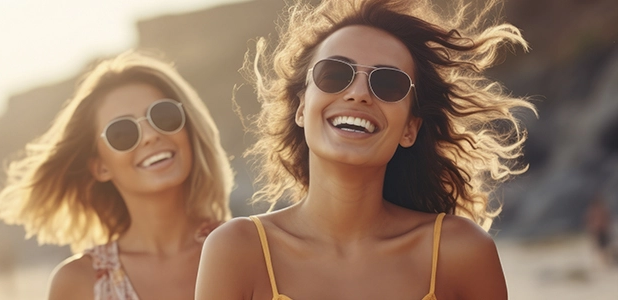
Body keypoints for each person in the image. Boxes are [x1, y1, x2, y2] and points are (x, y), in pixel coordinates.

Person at [195, 0, 532, 298]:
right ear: (300, 107)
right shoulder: (237, 250)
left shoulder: (461, 252)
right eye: (334, 74)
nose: (358, 93)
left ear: (410, 128)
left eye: (388, 82)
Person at [0, 52, 237, 300]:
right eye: (122, 132)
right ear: (100, 167)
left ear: (188, 128)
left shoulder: (245, 247)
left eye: (163, 115)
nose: (151, 135)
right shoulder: (79, 282)